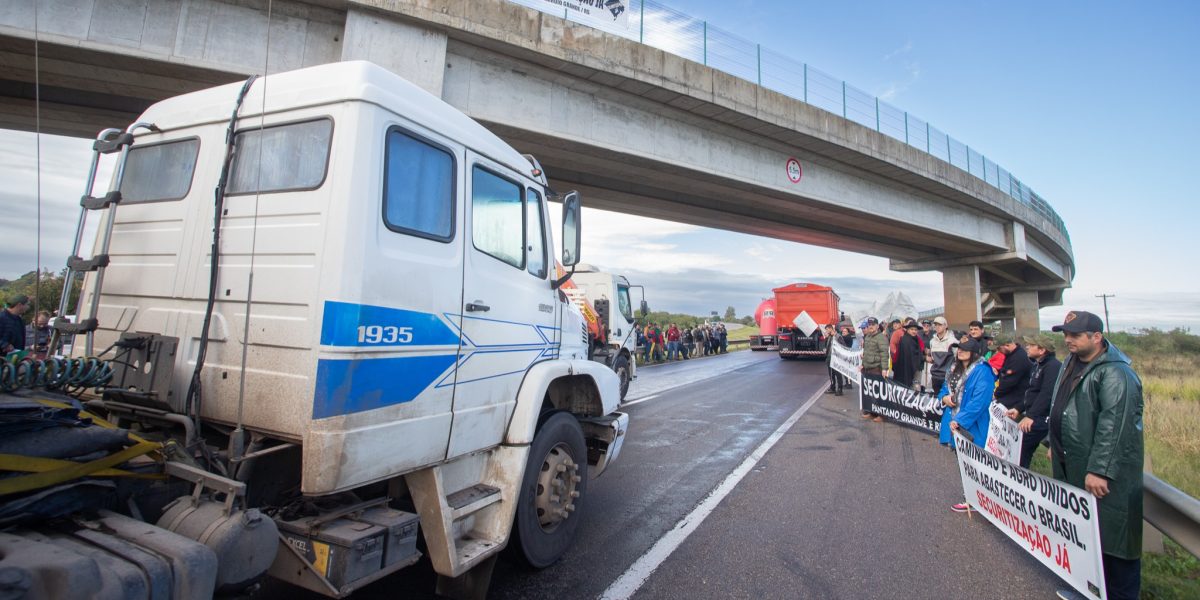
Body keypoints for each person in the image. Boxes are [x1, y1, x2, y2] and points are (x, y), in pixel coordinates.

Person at [1047, 311, 1143, 600]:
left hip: (1102, 477)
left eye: (1075, 335)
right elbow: (1060, 405)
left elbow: (1115, 425)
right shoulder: (1070, 364)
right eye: (1065, 334)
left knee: (1114, 548)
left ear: (1096, 337)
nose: (1067, 340)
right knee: (1086, 540)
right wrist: (1054, 442)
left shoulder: (1116, 373)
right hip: (1073, 466)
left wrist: (1100, 470)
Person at [939, 337, 996, 511]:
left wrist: (960, 421)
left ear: (974, 352)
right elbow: (943, 388)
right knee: (962, 461)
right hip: (953, 419)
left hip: (972, 425)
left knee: (974, 462)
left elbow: (980, 401)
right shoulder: (954, 368)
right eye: (959, 348)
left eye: (965, 349)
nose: (960, 351)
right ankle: (971, 496)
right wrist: (944, 398)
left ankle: (977, 499)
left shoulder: (983, 371)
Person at [1005, 334, 1061, 468]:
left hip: (1041, 419)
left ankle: (1019, 479)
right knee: (1019, 452)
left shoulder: (1053, 366)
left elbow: (1046, 394)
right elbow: (1032, 392)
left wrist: (1031, 416)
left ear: (1042, 350)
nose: (1027, 347)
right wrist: (1019, 408)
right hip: (1034, 415)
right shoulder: (1037, 365)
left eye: (1031, 345)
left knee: (1020, 451)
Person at [992, 333, 1032, 410]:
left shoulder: (1018, 358)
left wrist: (995, 395)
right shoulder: (1011, 355)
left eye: (999, 348)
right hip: (1011, 396)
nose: (998, 351)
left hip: (1016, 400)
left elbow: (1009, 382)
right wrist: (999, 373)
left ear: (1007, 345)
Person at [859, 317, 888, 422]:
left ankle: (881, 414)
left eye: (873, 324)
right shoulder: (867, 337)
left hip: (876, 368)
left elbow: (884, 354)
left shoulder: (881, 338)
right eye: (869, 324)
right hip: (867, 368)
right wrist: (862, 364)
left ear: (877, 326)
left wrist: (884, 369)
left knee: (878, 393)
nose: (870, 326)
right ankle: (871, 412)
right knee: (869, 392)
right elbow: (866, 353)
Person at [927, 317, 956, 396]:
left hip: (947, 377)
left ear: (945, 326)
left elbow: (957, 358)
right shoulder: (932, 341)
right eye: (935, 325)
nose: (937, 327)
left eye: (940, 325)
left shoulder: (952, 341)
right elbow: (933, 358)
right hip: (935, 377)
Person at [893, 321, 924, 388]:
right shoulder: (904, 340)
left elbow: (919, 352)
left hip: (916, 369)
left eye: (915, 330)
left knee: (916, 389)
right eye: (912, 329)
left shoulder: (917, 340)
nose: (914, 331)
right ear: (907, 330)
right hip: (905, 369)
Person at [823, 324, 843, 396]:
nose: (826, 331)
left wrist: (834, 336)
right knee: (831, 375)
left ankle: (840, 389)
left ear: (831, 328)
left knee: (838, 374)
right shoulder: (829, 337)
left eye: (827, 329)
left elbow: (843, 346)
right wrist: (826, 338)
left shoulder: (838, 336)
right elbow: (826, 346)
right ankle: (833, 387)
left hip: (836, 359)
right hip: (829, 358)